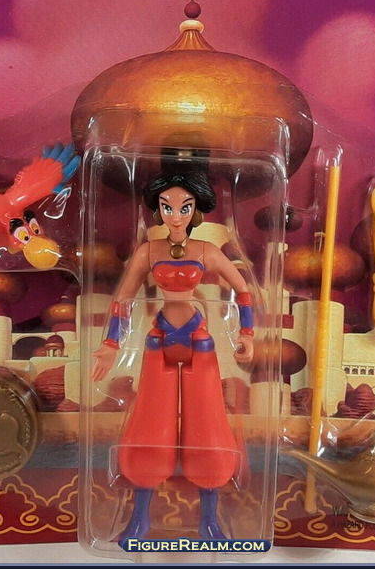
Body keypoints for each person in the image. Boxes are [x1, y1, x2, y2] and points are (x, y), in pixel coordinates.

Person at [91, 165, 255, 542]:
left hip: (199, 341)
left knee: (208, 424)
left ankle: (209, 521)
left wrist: (247, 334)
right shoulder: (148, 252)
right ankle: (140, 518)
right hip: (159, 339)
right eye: (167, 207)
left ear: (196, 209)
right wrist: (111, 345)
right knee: (149, 425)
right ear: (157, 209)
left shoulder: (206, 251)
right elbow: (123, 300)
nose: (176, 215)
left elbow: (243, 291)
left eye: (184, 207)